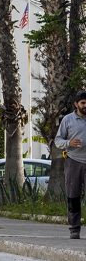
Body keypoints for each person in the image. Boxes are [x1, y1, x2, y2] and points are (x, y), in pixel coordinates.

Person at [56, 90, 86, 239]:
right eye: (83, 103)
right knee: (73, 196)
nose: (85, 106)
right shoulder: (68, 120)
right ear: (76, 104)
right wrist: (69, 143)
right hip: (73, 161)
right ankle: (74, 229)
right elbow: (58, 140)